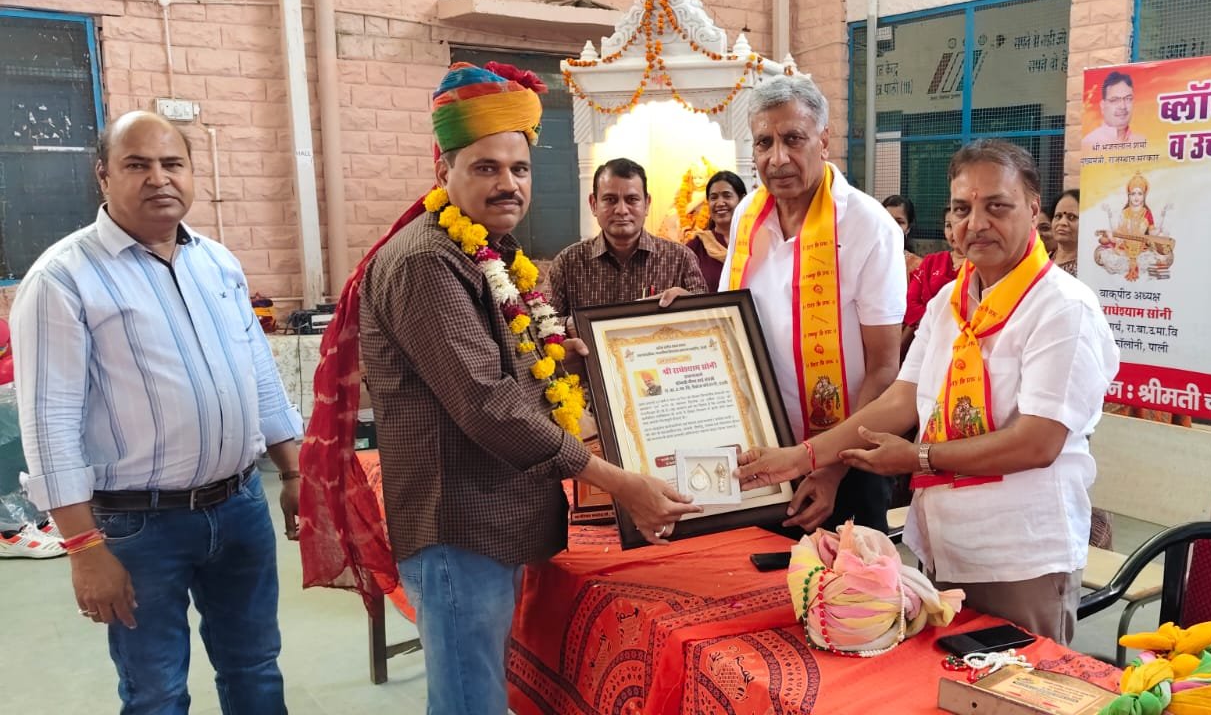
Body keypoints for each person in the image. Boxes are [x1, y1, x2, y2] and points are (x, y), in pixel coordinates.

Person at [298, 63, 699, 714]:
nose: (509, 184)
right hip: (461, 522)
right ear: (444, 171)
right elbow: (489, 404)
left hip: (496, 512)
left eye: (520, 168)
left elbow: (510, 368)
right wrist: (620, 481)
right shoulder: (428, 261)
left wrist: (565, 357)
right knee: (470, 701)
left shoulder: (488, 252)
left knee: (481, 689)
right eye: (486, 168)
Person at [738, 139, 1120, 645]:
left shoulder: (1063, 308)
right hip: (944, 549)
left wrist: (918, 458)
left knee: (1009, 685)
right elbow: (900, 400)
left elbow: (1038, 442)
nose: (976, 223)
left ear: (1033, 210)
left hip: (1019, 556)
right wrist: (802, 456)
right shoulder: (949, 302)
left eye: (997, 206)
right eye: (962, 209)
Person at [13, 110, 304, 712]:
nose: (159, 178)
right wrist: (83, 548)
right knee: (156, 691)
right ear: (103, 176)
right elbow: (48, 423)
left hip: (240, 506)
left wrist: (295, 470)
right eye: (137, 164)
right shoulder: (63, 279)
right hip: (136, 526)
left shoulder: (216, 263)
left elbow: (259, 374)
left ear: (192, 172)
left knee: (255, 666)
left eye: (173, 163)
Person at [719, 75, 907, 533]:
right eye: (764, 142)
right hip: (763, 453)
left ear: (824, 140)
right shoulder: (747, 215)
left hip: (848, 462)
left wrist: (831, 469)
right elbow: (729, 320)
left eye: (793, 139)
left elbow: (884, 367)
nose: (777, 158)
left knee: (844, 577)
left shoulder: (868, 225)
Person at [547, 158, 709, 317]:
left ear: (647, 204)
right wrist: (572, 325)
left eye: (632, 200)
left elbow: (709, 320)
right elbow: (541, 322)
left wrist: (691, 305)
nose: (622, 210)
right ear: (594, 204)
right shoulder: (568, 263)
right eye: (610, 200)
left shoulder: (680, 259)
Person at [902, 207, 964, 356]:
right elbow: (911, 301)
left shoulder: (982, 267)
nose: (953, 232)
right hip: (924, 338)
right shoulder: (931, 261)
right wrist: (933, 321)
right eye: (948, 226)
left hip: (961, 343)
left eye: (959, 224)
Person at [685, 170, 747, 287]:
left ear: (742, 200)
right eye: (713, 198)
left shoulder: (757, 241)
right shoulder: (696, 247)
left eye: (727, 196)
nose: (720, 203)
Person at [1083, 71, 1145, 150]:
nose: (1123, 106)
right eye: (1115, 100)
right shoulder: (1089, 143)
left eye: (1128, 99)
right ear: (1103, 106)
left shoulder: (1141, 141)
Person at [882, 194, 922, 275]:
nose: (892, 226)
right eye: (887, 220)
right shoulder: (866, 261)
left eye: (899, 222)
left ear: (908, 228)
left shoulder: (918, 266)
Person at [1049, 190, 1080, 275]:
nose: (1062, 222)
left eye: (1071, 217)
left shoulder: (1089, 267)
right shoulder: (1043, 259)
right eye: (1058, 216)